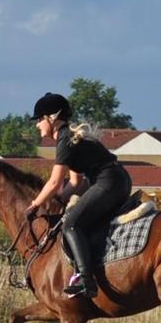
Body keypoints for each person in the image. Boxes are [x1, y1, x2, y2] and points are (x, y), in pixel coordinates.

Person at [24, 92, 132, 298]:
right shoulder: (67, 138)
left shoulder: (64, 139)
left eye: (39, 119)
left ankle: (86, 280)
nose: (37, 124)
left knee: (71, 225)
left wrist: (35, 204)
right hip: (117, 180)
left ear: (52, 118)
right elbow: (75, 182)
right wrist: (59, 200)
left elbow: (55, 181)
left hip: (108, 182)